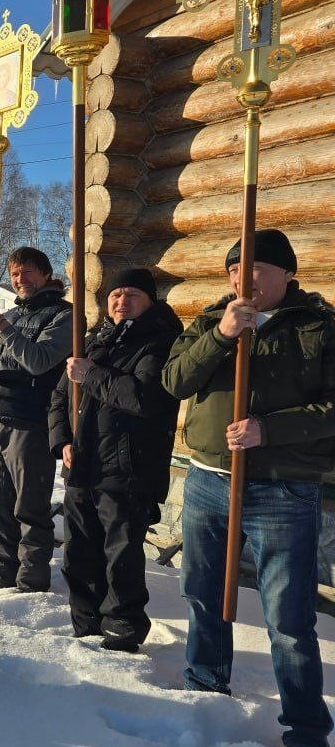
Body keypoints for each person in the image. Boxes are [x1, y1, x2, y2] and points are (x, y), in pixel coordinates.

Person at [162, 229, 335, 747]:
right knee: (203, 593)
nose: (242, 278)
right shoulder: (210, 320)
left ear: (287, 273)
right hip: (207, 481)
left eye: (256, 267)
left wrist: (270, 429)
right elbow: (175, 381)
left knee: (288, 616)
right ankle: (205, 688)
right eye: (234, 268)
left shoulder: (319, 327)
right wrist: (220, 335)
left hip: (283, 489)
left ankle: (305, 727)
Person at [48, 268, 182, 652]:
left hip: (128, 467)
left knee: (120, 557)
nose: (122, 301)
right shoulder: (94, 341)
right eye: (115, 295)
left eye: (132, 295)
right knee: (79, 553)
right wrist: (62, 442)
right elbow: (59, 398)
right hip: (82, 465)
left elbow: (142, 397)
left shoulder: (160, 342)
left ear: (150, 300)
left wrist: (91, 374)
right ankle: (85, 627)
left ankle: (122, 632)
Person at [0, 246, 72, 592]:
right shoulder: (11, 316)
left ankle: (31, 583)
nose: (20, 279)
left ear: (45, 274)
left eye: (28, 271)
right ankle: (1, 577)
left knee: (29, 507)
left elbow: (39, 361)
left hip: (30, 421)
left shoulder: (63, 316)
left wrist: (1, 326)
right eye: (15, 273)